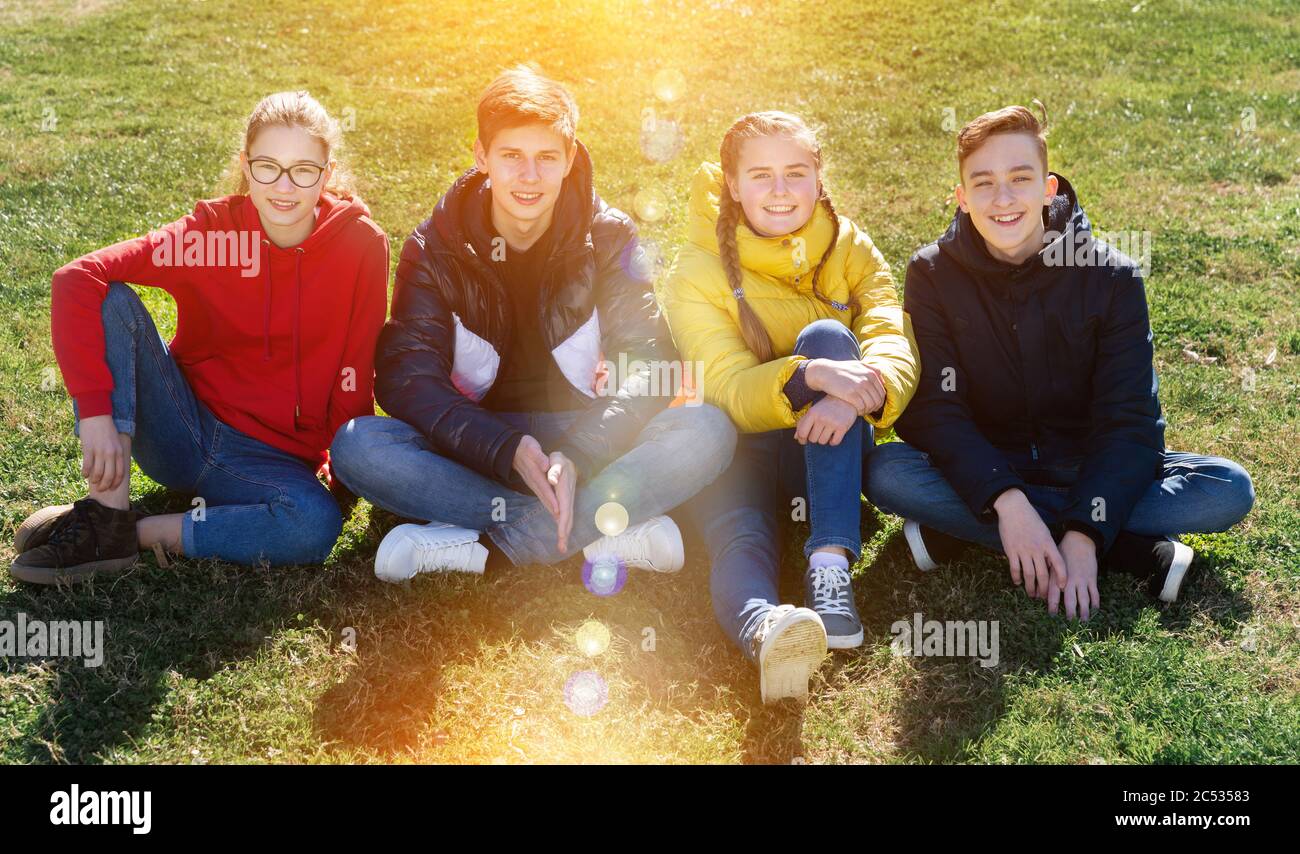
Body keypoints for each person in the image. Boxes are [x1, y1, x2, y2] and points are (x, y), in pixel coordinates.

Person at [330, 65, 736, 581]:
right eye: (511, 157)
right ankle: (598, 529)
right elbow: (407, 377)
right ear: (481, 157)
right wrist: (505, 448)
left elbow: (650, 359)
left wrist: (581, 453)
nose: (529, 177)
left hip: (586, 430)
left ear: (569, 158)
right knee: (357, 446)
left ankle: (484, 547)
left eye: (546, 158)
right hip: (477, 440)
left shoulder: (608, 236)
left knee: (709, 429)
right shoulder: (434, 247)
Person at [866, 104, 1255, 621]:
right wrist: (1007, 499)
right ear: (961, 198)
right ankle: (1124, 548)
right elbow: (935, 409)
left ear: (1048, 189)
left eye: (1019, 179)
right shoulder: (931, 272)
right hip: (990, 466)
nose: (1002, 199)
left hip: (1085, 468)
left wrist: (1084, 531)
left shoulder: (1112, 276)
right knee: (884, 471)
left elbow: (1130, 422)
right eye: (983, 184)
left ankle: (978, 531)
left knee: (1226, 489)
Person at [11, 91, 389, 584]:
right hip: (181, 432)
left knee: (314, 526)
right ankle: (105, 517)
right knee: (111, 299)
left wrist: (341, 483)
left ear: (327, 173)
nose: (284, 186)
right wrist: (97, 413)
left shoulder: (361, 246)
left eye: (304, 170)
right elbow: (77, 278)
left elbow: (355, 371)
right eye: (267, 166)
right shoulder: (209, 237)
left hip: (266, 464)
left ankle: (137, 530)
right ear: (245, 165)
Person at [661, 111, 920, 703]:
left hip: (830, 448)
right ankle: (766, 629)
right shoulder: (697, 271)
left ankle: (829, 569)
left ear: (819, 175)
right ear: (732, 184)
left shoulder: (851, 247)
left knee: (829, 336)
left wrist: (857, 391)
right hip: (735, 445)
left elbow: (890, 338)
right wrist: (811, 379)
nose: (780, 191)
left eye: (795, 173)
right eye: (761, 175)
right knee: (741, 536)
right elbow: (724, 385)